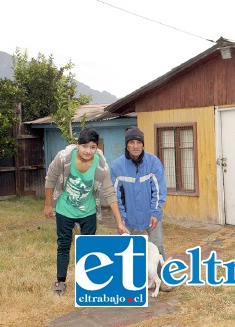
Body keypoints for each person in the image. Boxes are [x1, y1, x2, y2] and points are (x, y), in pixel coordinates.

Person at [44, 128, 129, 296]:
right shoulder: (63, 159)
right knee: (63, 244)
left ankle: (87, 281)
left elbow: (110, 193)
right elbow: (50, 178)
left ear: (97, 148)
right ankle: (60, 282)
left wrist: (119, 221)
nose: (88, 151)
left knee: (89, 246)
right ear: (77, 146)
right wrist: (48, 204)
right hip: (64, 208)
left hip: (88, 211)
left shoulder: (101, 166)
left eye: (92, 147)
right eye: (84, 146)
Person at [110, 127, 168, 270]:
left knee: (157, 246)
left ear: (143, 144)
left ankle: (163, 279)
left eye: (138, 142)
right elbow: (115, 195)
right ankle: (126, 279)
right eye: (131, 142)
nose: (135, 146)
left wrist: (155, 213)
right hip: (127, 217)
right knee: (124, 247)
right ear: (126, 145)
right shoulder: (117, 166)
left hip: (150, 215)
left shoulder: (153, 162)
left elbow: (159, 189)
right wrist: (121, 217)